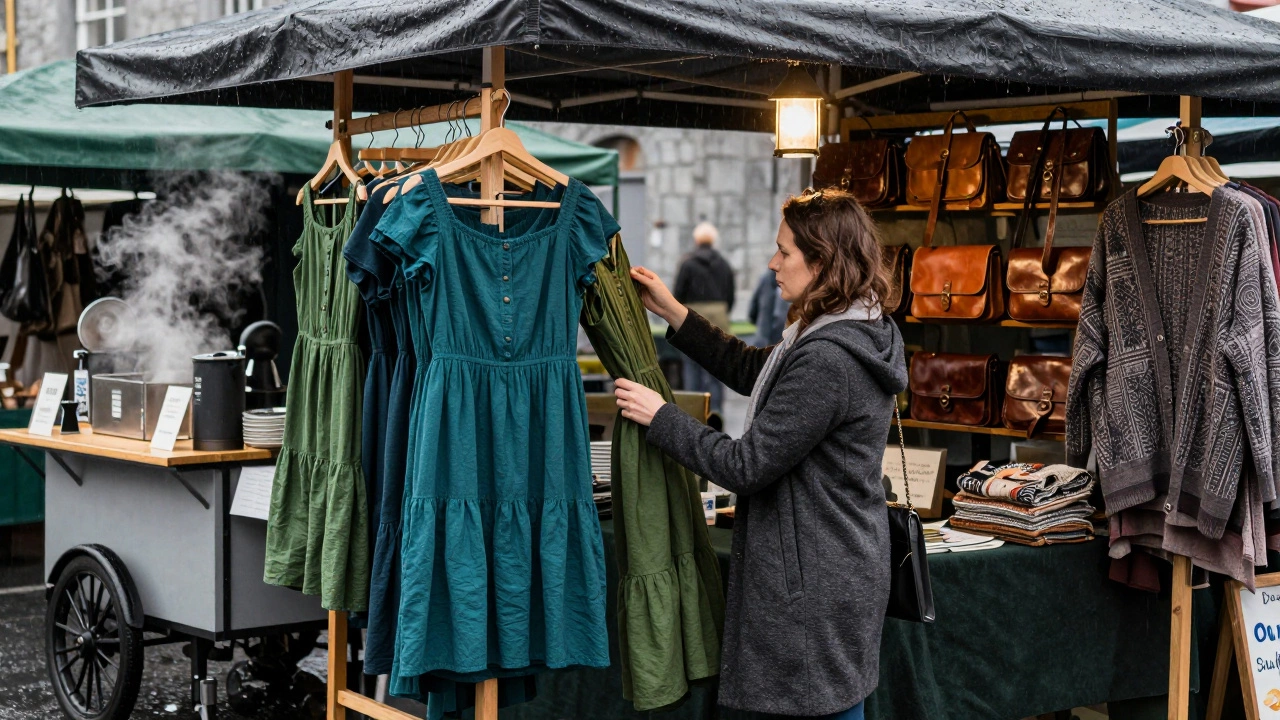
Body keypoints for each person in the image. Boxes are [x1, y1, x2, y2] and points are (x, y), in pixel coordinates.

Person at [615, 188, 906, 719]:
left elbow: (744, 466)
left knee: (822, 708)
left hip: (816, 584)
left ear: (821, 261)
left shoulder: (829, 359)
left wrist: (661, 417)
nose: (773, 263)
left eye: (785, 252)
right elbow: (756, 371)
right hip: (833, 567)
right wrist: (675, 313)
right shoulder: (842, 332)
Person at [672, 221, 735, 413]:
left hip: (692, 317)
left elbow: (678, 294)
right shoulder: (724, 264)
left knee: (692, 365)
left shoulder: (687, 264)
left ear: (696, 240)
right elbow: (730, 295)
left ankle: (694, 411)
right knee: (718, 366)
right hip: (719, 318)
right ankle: (716, 412)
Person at [747, 267, 789, 346]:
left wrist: (753, 318)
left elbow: (754, 302)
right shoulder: (791, 280)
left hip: (763, 335)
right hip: (781, 338)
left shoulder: (765, 278)